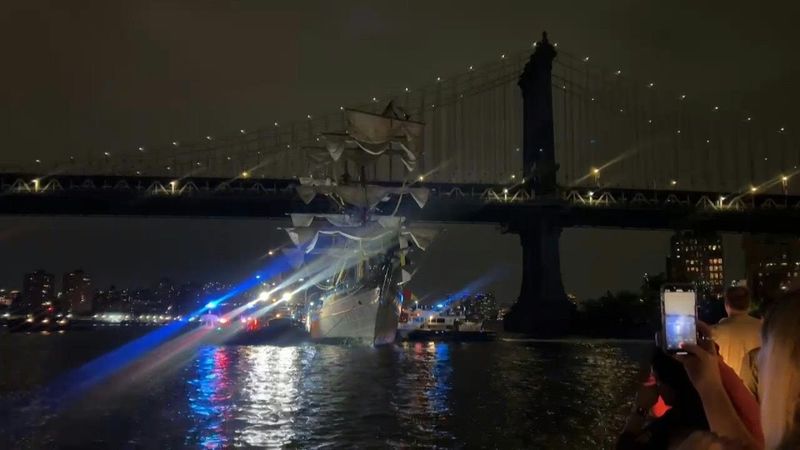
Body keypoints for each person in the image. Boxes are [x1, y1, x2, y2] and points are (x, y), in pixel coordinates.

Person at [677, 292, 800, 449]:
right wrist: (709, 386)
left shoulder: (718, 331)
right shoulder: (756, 326)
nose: (759, 358)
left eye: (765, 347)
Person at [617, 348, 709, 450]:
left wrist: (641, 408)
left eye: (657, 380)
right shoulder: (710, 413)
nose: (655, 387)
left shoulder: (675, 431)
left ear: (671, 383)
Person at [712, 287, 761, 377]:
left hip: (728, 387)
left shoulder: (715, 331)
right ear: (749, 305)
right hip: (756, 387)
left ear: (727, 304)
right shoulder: (763, 328)